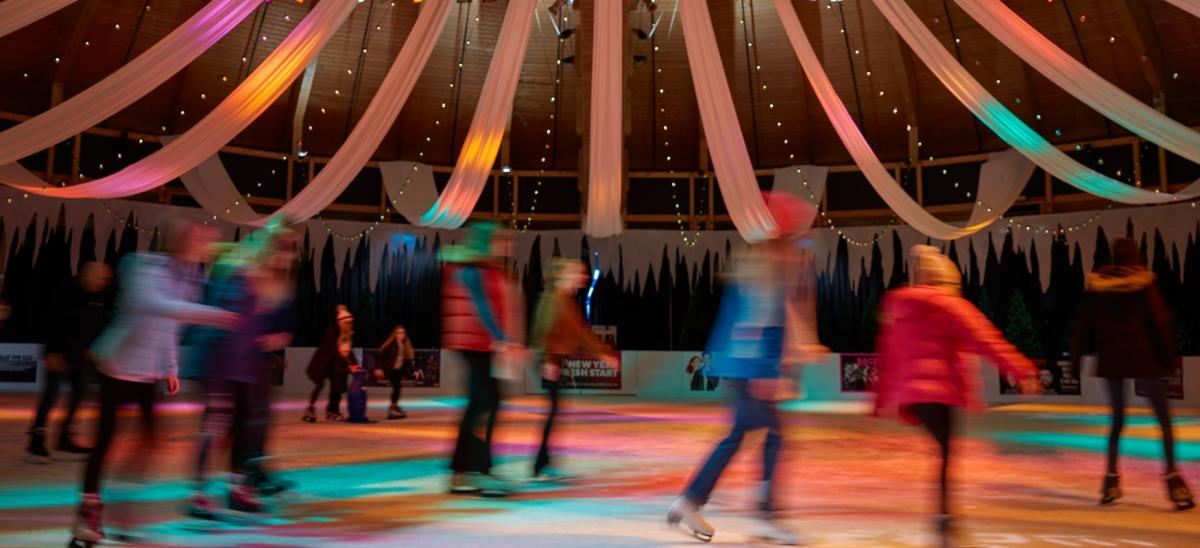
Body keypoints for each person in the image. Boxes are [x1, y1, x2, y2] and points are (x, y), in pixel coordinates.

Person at [667, 192, 825, 545]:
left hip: (744, 364)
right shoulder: (770, 259)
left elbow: (779, 314)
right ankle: (763, 514)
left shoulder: (767, 257)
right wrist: (766, 371)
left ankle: (691, 500)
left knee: (742, 435)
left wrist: (798, 350)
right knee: (771, 436)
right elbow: (754, 320)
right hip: (749, 365)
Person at [69, 219, 239, 546]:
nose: (201, 247)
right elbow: (155, 307)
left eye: (204, 242)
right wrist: (211, 314)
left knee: (150, 442)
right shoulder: (144, 266)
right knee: (105, 441)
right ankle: (89, 509)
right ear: (178, 240)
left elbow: (170, 328)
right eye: (197, 238)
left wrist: (170, 367)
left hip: (147, 372)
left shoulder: (192, 278)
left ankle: (122, 508)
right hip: (117, 365)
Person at [873, 244, 1041, 545]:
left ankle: (943, 516)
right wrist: (1021, 370)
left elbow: (889, 356)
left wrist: (881, 400)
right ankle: (943, 518)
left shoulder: (899, 309)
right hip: (941, 393)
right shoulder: (949, 305)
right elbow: (987, 339)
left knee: (944, 452)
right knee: (946, 454)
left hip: (917, 397)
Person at [1070, 237, 1193, 511]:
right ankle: (1174, 482)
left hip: (1112, 360)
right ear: (1136, 258)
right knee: (1164, 421)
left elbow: (1083, 326)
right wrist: (1168, 358)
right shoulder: (1143, 286)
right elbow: (1161, 323)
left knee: (1117, 420)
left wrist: (1076, 361)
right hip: (1142, 358)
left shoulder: (1097, 289)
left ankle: (1111, 480)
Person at [186, 219, 297, 518]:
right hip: (220, 362)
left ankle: (238, 488)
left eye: (289, 249)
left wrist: (271, 338)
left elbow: (264, 325)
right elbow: (219, 315)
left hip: (244, 364)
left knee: (246, 425)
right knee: (218, 425)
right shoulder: (238, 270)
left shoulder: (267, 278)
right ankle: (198, 496)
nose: (285, 256)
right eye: (281, 247)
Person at [441, 221, 528, 497]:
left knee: (485, 403)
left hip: (481, 346)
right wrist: (502, 341)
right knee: (483, 403)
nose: (508, 244)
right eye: (503, 238)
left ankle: (464, 472)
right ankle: (476, 469)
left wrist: (506, 341)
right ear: (488, 240)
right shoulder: (474, 270)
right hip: (472, 345)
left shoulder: (486, 268)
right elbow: (482, 307)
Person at [528, 258, 618, 481]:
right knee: (553, 411)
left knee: (554, 411)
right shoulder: (554, 298)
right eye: (579, 273)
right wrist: (549, 360)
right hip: (549, 358)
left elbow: (580, 334)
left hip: (553, 358)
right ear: (564, 275)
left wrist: (603, 353)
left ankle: (543, 464)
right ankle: (541, 465)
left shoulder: (564, 299)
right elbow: (544, 329)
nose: (583, 277)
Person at [26, 261, 113, 463]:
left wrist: (91, 347)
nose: (103, 283)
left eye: (105, 279)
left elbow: (93, 323)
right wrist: (53, 351)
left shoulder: (96, 295)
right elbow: (51, 321)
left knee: (80, 393)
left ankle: (65, 436)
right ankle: (35, 442)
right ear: (86, 275)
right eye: (100, 278)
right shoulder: (65, 291)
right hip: (58, 353)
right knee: (50, 396)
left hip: (78, 355)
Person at [303, 306, 356, 422]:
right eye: (346, 323)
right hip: (321, 364)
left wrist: (355, 364)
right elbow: (336, 352)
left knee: (337, 386)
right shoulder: (332, 333)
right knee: (320, 385)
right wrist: (349, 365)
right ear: (340, 323)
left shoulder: (346, 334)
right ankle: (310, 408)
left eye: (350, 323)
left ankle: (332, 410)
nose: (348, 326)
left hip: (333, 364)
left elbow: (349, 351)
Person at [376, 325, 416, 420]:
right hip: (391, 369)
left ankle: (394, 406)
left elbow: (408, 360)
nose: (400, 335)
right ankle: (393, 407)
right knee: (397, 387)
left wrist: (414, 371)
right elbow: (382, 355)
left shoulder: (405, 345)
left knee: (398, 388)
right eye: (398, 333)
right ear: (395, 334)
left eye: (402, 333)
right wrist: (379, 368)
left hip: (399, 370)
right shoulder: (392, 344)